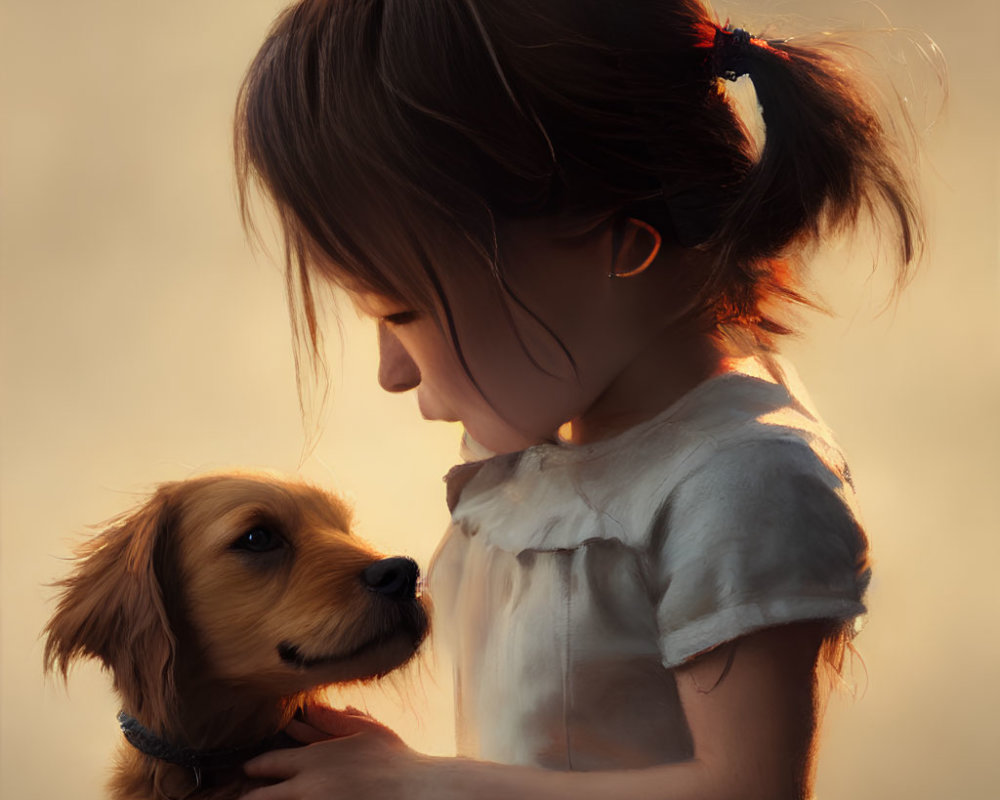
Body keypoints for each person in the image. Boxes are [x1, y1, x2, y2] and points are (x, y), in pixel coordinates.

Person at [232, 1, 922, 797]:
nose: (391, 372)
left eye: (403, 312)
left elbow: (746, 787)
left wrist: (420, 786)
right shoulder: (533, 463)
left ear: (617, 244)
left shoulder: (736, 485)